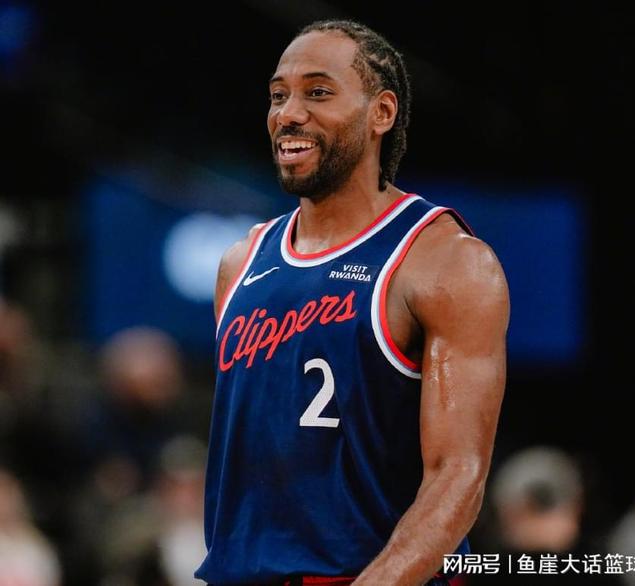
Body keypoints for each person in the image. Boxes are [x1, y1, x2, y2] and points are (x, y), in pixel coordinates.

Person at [195, 19, 509, 586]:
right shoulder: (241, 263)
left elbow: (458, 475)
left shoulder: (444, 261)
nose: (288, 114)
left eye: (318, 92)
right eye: (278, 95)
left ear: (381, 113)